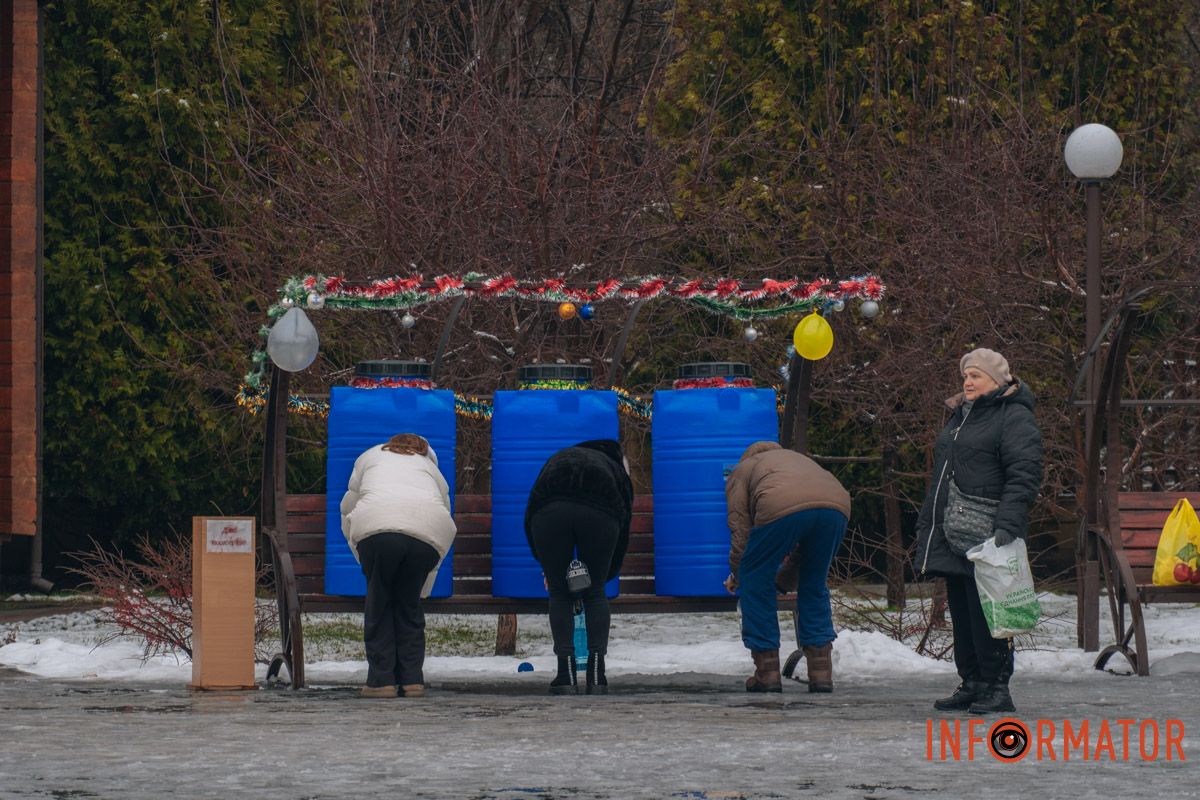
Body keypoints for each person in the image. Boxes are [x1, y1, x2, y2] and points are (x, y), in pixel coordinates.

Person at [915, 348, 1042, 714]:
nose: (968, 382)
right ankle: (973, 682)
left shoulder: (1013, 416)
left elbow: (1025, 473)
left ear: (997, 381)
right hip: (954, 528)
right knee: (963, 610)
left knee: (989, 612)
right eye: (966, 376)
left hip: (988, 531)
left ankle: (997, 687)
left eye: (977, 376)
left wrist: (1008, 524)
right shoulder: (962, 415)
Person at [724, 441, 851, 693]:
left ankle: (767, 674)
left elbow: (741, 532)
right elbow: (802, 558)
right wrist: (783, 582)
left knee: (755, 580)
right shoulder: (797, 460)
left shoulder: (743, 469)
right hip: (837, 506)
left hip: (780, 504)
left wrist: (739, 575)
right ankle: (821, 673)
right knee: (814, 583)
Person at [340, 433, 456, 699]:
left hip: (378, 530)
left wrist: (362, 553)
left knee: (379, 604)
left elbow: (349, 507)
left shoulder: (370, 457)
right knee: (409, 605)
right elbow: (443, 512)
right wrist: (424, 584)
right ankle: (412, 681)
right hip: (428, 534)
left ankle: (381, 682)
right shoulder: (430, 470)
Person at [524, 439, 633, 694]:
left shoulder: (559, 458)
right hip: (601, 510)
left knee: (559, 594)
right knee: (595, 594)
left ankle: (566, 674)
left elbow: (530, 514)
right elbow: (623, 523)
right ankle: (597, 674)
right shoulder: (613, 467)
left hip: (549, 510)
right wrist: (607, 572)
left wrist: (547, 566)